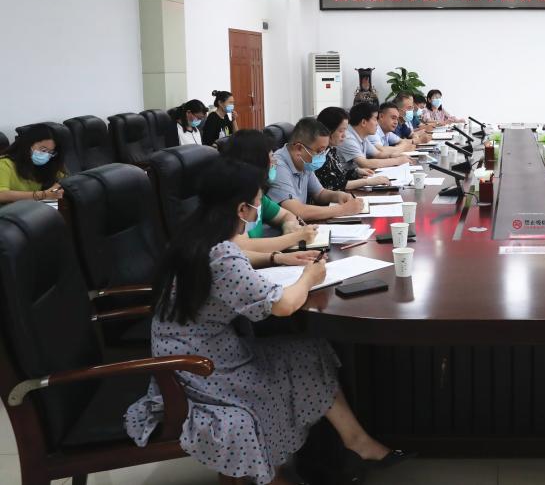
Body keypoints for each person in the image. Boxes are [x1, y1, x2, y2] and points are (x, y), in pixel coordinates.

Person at [126, 159, 409, 485]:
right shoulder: (221, 256)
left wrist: (279, 257)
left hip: (202, 349)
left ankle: (356, 441)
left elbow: (240, 256)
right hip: (199, 369)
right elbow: (284, 305)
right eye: (258, 203)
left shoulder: (197, 234)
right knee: (283, 373)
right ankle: (274, 473)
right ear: (242, 209)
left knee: (309, 351)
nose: (260, 209)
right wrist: (309, 276)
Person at [221, 130, 323, 257]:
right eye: (271, 158)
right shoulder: (230, 200)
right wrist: (295, 237)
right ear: (256, 162)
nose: (275, 163)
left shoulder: (257, 195)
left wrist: (289, 227)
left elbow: (286, 215)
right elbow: (240, 246)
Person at [267, 118, 366, 222]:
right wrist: (343, 209)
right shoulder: (278, 165)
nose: (322, 156)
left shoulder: (304, 162)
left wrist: (338, 196)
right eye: (319, 151)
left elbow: (319, 193)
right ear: (299, 148)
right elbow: (297, 211)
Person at [315, 107, 391, 191]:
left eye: (345, 130)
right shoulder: (318, 156)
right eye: (341, 131)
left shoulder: (331, 150)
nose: (344, 135)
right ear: (327, 130)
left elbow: (339, 173)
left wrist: (356, 172)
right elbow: (335, 184)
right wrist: (367, 182)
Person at [0, 124, 66, 204]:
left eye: (50, 152)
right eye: (43, 150)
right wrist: (43, 195)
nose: (46, 155)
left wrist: (55, 190)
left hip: (38, 208)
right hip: (11, 210)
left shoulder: (50, 163)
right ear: (27, 144)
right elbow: (2, 195)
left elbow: (64, 182)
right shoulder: (4, 163)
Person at [338, 103, 412, 170]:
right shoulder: (348, 138)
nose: (377, 123)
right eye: (375, 119)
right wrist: (397, 161)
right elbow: (365, 163)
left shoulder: (362, 136)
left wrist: (398, 156)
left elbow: (378, 154)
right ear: (363, 122)